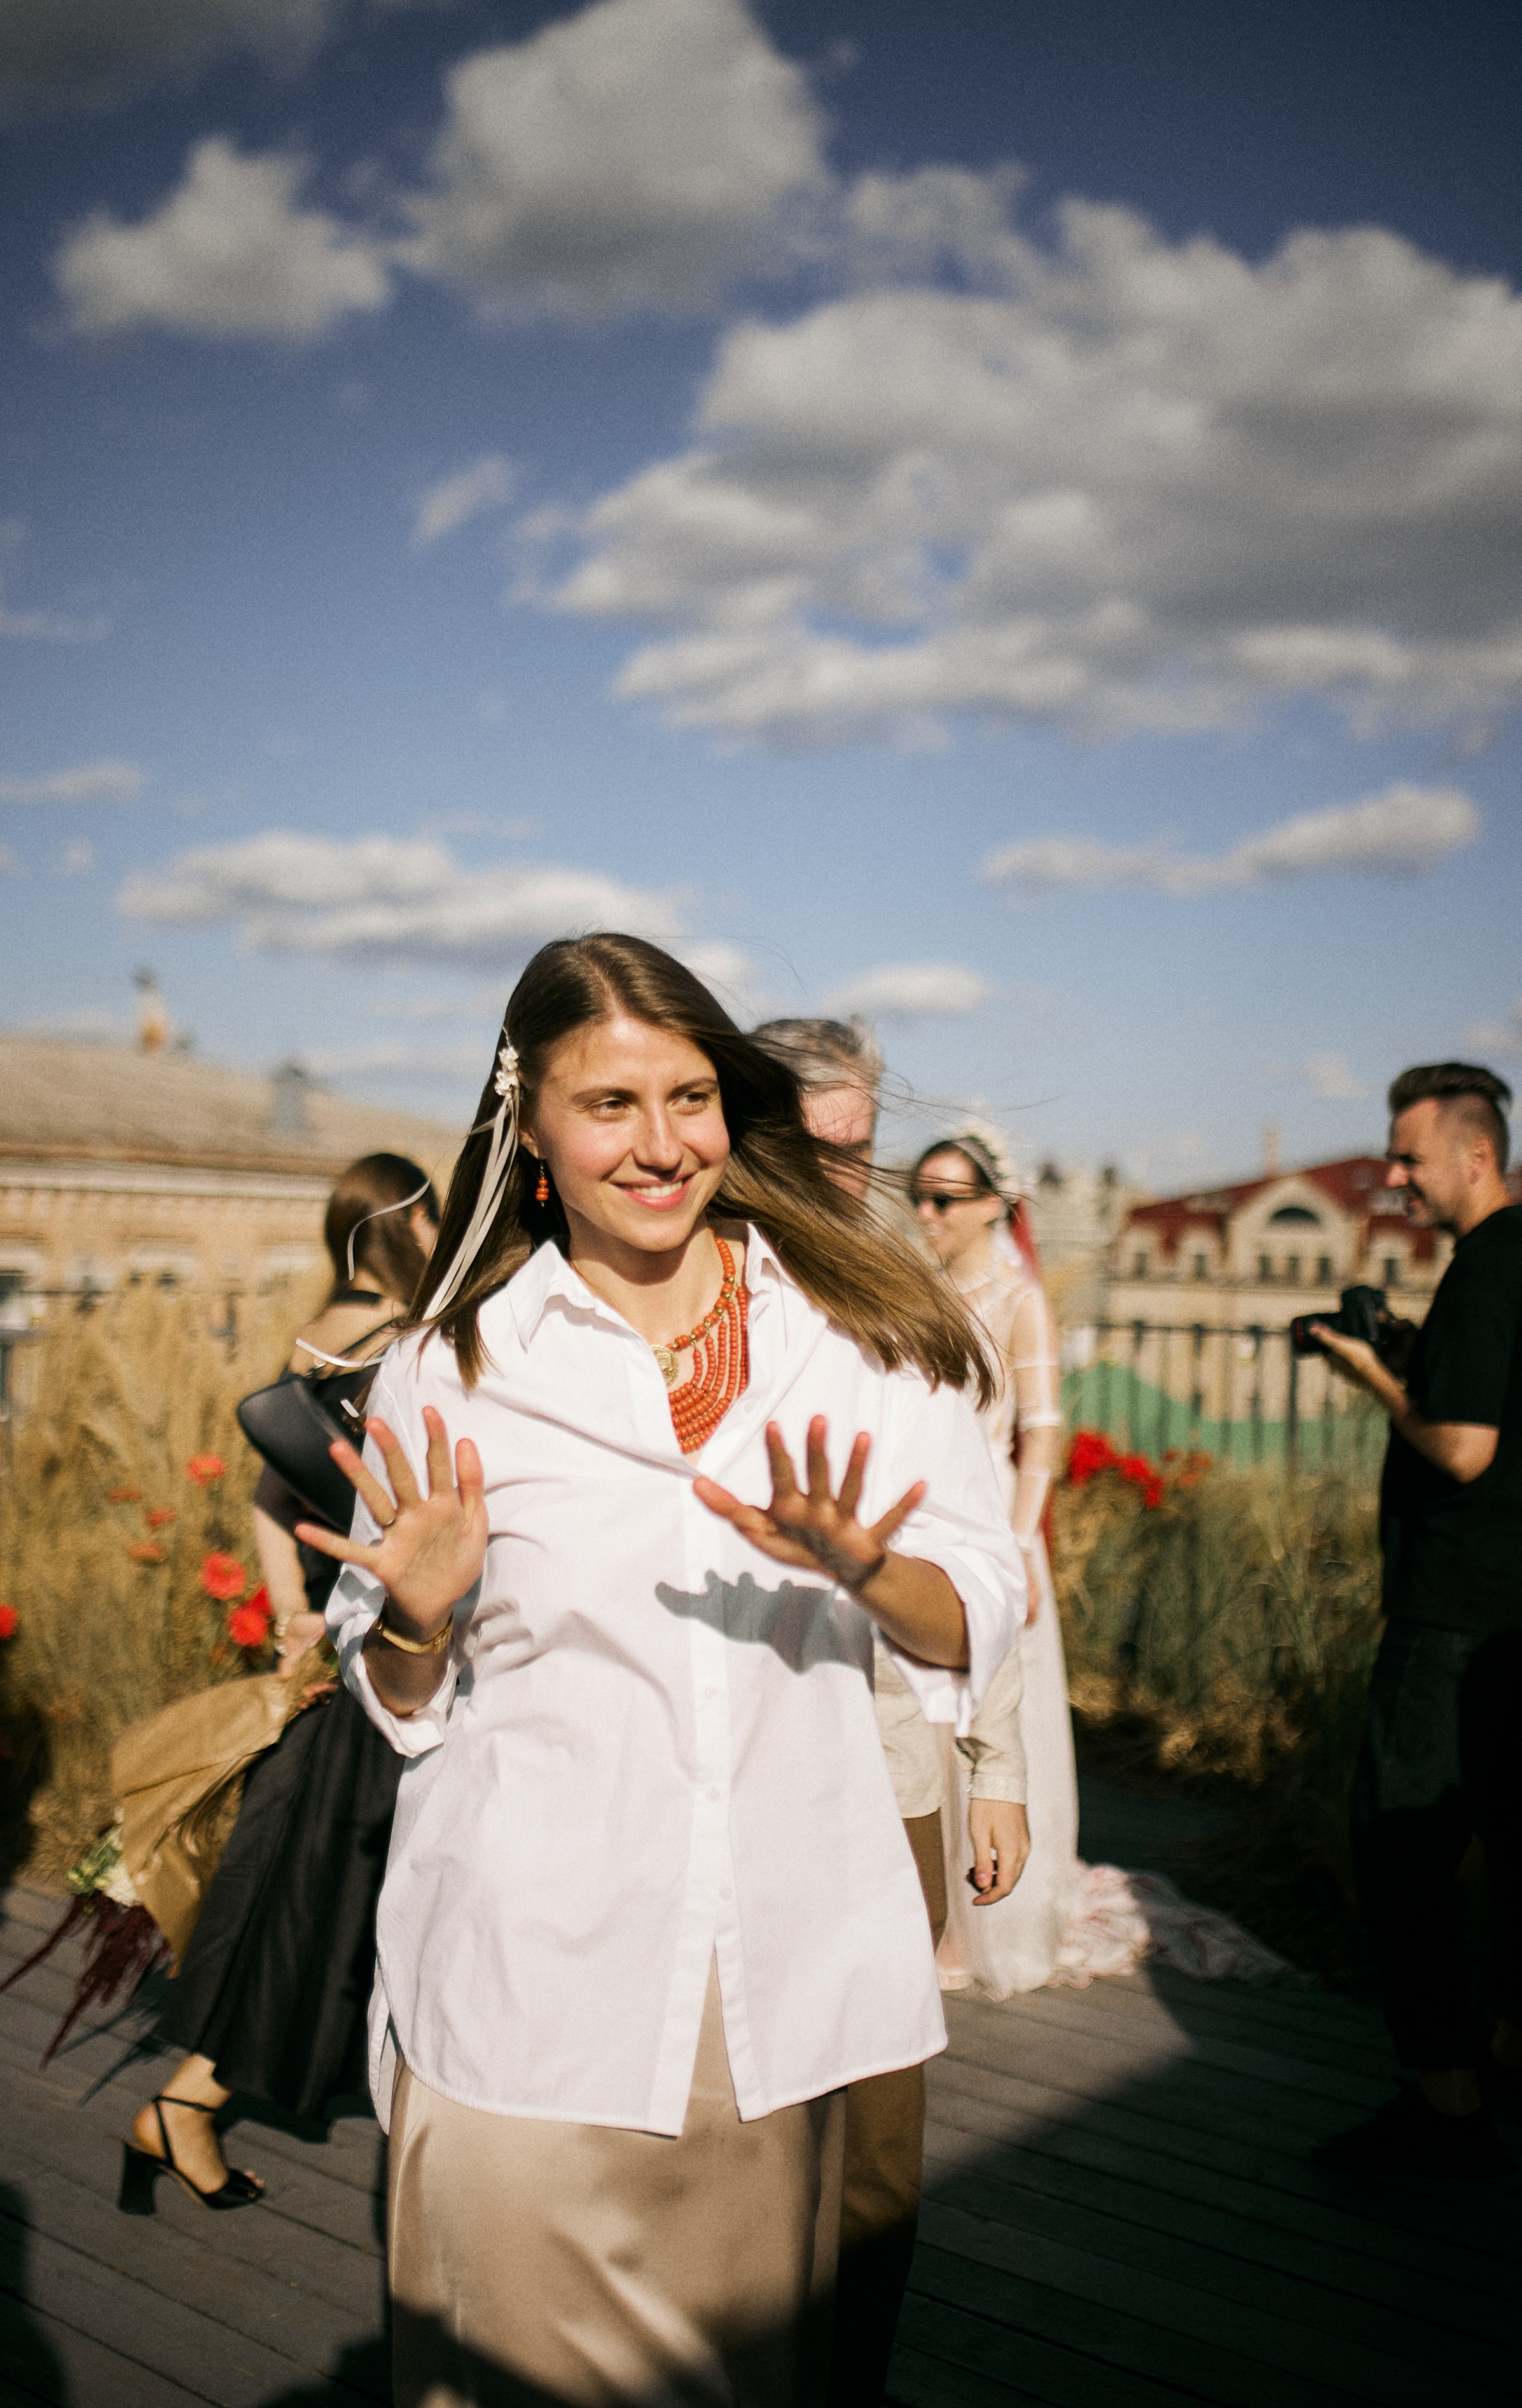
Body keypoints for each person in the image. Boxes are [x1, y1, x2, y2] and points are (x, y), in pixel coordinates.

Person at [309, 935, 1027, 2408]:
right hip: (526, 1999)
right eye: (610, 1103)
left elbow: (981, 1609)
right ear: (531, 1134)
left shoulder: (861, 1340)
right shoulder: (456, 1368)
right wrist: (417, 1617)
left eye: (689, 1096)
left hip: (779, 2000)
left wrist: (865, 1568)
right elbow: (392, 1697)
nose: (661, 1143)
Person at [752, 1022, 1028, 2408]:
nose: (845, 1168)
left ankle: (848, 2377)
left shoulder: (913, 1315)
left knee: (872, 2123)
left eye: (862, 1139)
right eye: (817, 1138)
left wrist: (996, 1762)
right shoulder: (687, 1297)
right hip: (731, 1775)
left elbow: (988, 1561)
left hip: (884, 1764)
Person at [124, 1154, 439, 2210]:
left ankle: (188, 2102)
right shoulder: (406, 1335)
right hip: (378, 1641)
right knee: (324, 1886)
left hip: (322, 1628)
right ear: (412, 1221)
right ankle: (190, 2101)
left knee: (298, 1876)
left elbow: (269, 1491)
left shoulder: (313, 1334)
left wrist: (289, 1613)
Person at [1310, 1062, 1520, 2178]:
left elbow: (1462, 1445)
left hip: (1450, 1616)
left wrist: (1372, 1377)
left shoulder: (1489, 1264)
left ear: (1475, 1153)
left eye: (1409, 1156)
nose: (1394, 1178)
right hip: (1509, 1615)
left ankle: (1447, 2107)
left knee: (1401, 1851)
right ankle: (1500, 2055)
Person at [910, 1129, 1103, 2000]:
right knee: (928, 1719)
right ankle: (930, 1911)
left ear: (994, 1203)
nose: (927, 1213)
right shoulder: (920, 1288)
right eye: (920, 1194)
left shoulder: (1021, 1297)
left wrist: (1021, 1543)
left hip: (992, 1517)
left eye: (945, 1198)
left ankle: (984, 1924)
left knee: (991, 1718)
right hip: (925, 1513)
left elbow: (1044, 1431)